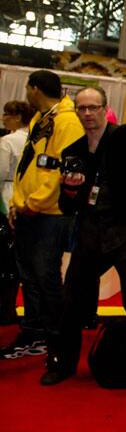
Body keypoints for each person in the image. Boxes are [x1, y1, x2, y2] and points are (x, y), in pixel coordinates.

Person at [40, 86, 126, 389]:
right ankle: (63, 363)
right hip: (90, 234)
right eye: (81, 108)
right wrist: (71, 189)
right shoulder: (73, 151)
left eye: (92, 107)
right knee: (71, 301)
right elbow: (67, 206)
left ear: (104, 108)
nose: (87, 114)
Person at [1, 71, 84, 359]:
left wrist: (35, 203)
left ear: (34, 89)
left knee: (45, 275)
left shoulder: (68, 121)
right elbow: (29, 166)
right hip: (29, 210)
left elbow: (61, 170)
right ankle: (33, 332)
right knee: (29, 276)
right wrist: (17, 203)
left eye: (27, 87)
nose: (26, 91)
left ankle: (55, 338)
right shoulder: (41, 118)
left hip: (50, 213)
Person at [0, 100, 34, 324]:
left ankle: (4, 309)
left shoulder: (7, 142)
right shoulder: (33, 138)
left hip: (6, 196)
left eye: (7, 114)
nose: (3, 118)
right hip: (28, 197)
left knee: (5, 260)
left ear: (17, 117)